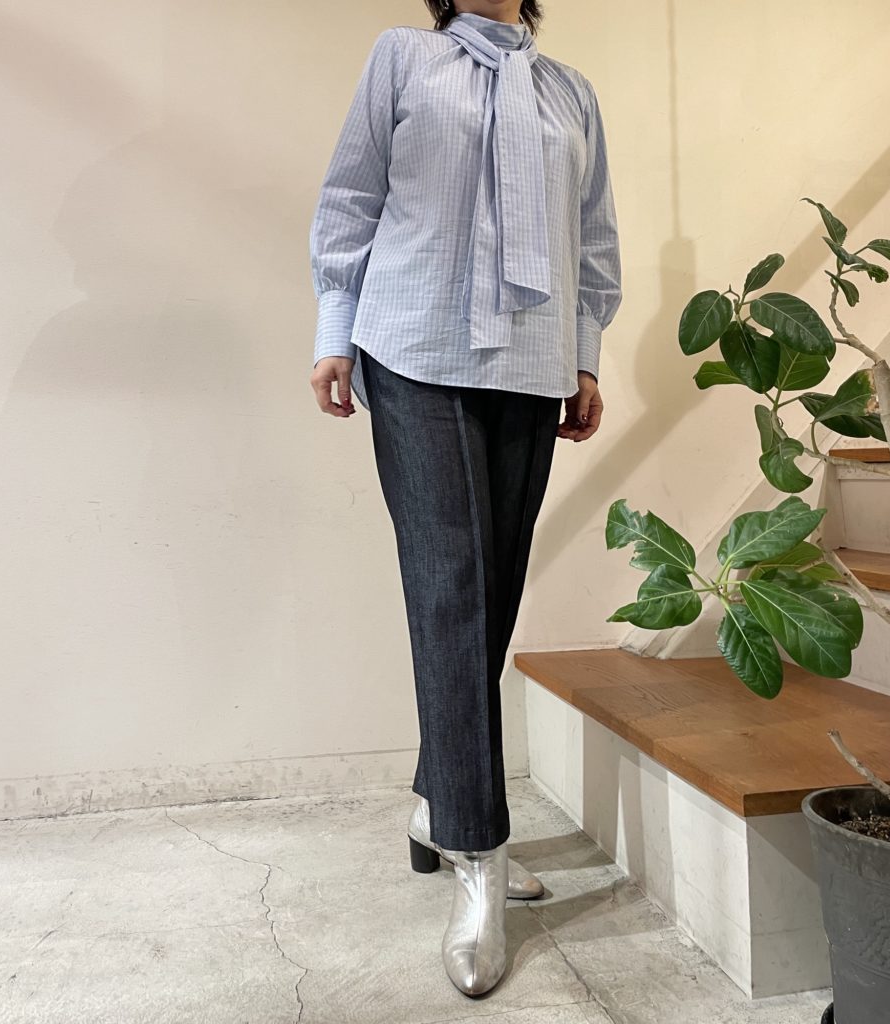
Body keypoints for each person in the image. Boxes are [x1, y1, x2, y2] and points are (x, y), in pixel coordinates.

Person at [308, 0, 622, 997]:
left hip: (532, 362)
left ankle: (435, 804)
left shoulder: (570, 92)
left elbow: (592, 235)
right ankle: (479, 853)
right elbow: (352, 195)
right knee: (450, 587)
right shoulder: (404, 59)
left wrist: (585, 356)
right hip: (413, 345)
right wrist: (333, 328)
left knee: (492, 595)